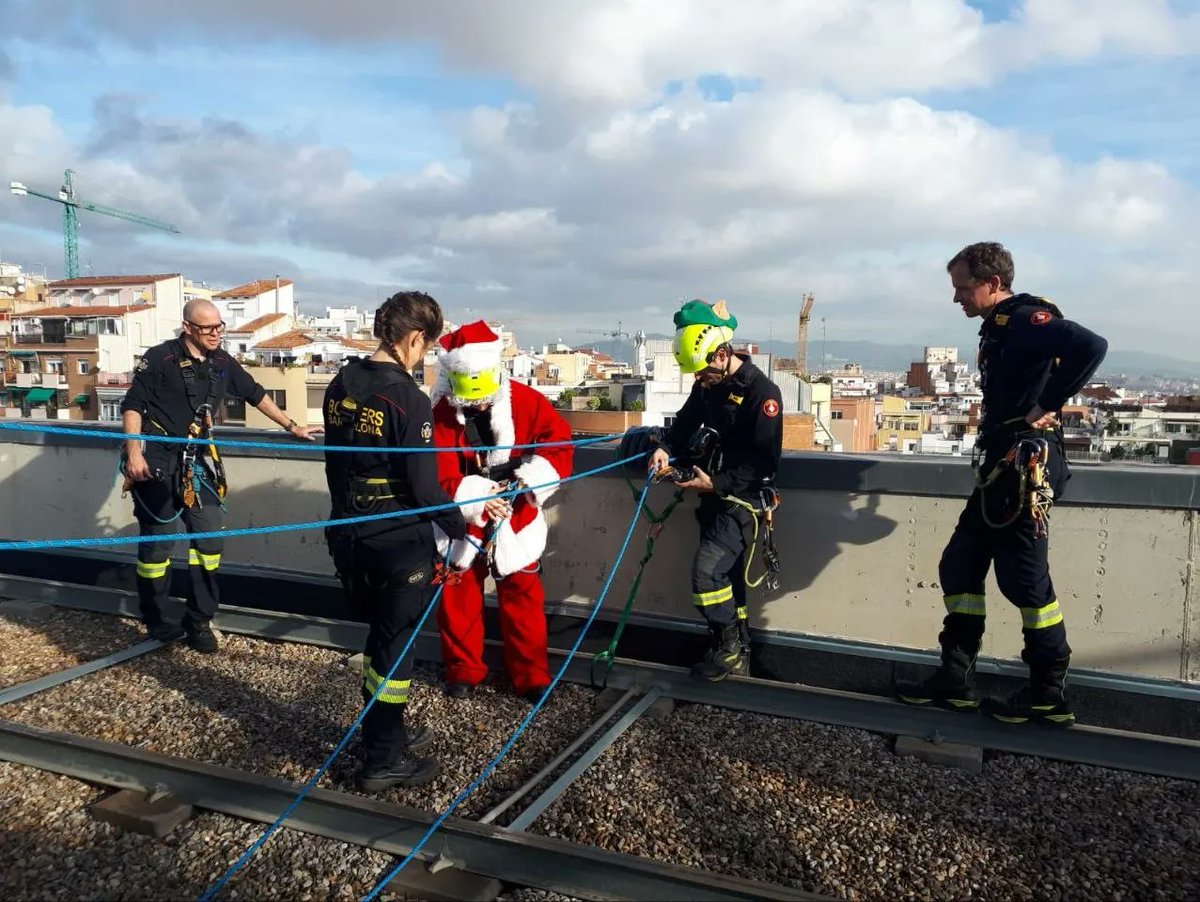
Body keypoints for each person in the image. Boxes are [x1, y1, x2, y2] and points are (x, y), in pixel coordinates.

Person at [897, 242, 1107, 725]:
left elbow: (1091, 345)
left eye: (963, 288)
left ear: (992, 284)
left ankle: (1048, 693)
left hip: (1023, 469)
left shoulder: (1027, 319)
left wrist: (1047, 403)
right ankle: (954, 678)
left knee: (1025, 583)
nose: (958, 300)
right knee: (960, 565)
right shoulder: (1000, 326)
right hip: (1002, 468)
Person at [323, 291, 467, 791]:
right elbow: (425, 489)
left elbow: (334, 464)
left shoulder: (341, 382)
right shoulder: (408, 397)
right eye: (425, 348)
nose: (424, 359)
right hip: (397, 544)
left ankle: (389, 733)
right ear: (412, 339)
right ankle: (382, 758)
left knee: (379, 642)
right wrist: (461, 530)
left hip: (348, 534)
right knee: (394, 652)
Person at [121, 298, 320, 653]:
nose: (216, 334)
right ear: (188, 328)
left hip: (195, 462)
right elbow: (133, 405)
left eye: (219, 327)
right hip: (157, 457)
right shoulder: (159, 359)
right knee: (159, 542)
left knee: (209, 541)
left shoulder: (223, 363)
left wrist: (293, 426)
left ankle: (198, 621)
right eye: (208, 328)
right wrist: (135, 452)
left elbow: (256, 394)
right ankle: (156, 617)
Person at [430, 320, 574, 702]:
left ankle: (531, 675)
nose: (477, 404)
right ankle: (462, 669)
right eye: (470, 398)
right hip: (464, 519)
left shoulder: (527, 401)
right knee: (456, 597)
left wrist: (533, 479)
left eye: (482, 397)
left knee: (524, 597)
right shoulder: (441, 413)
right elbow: (435, 469)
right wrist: (474, 498)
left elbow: (559, 445)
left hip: (516, 513)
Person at [644, 299, 783, 682]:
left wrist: (716, 483)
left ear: (722, 355)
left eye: (705, 368)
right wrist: (665, 447)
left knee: (708, 575)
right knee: (728, 580)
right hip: (712, 498)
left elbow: (763, 462)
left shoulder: (762, 394)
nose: (700, 377)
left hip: (740, 503)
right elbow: (687, 421)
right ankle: (736, 651)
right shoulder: (708, 387)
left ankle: (729, 647)